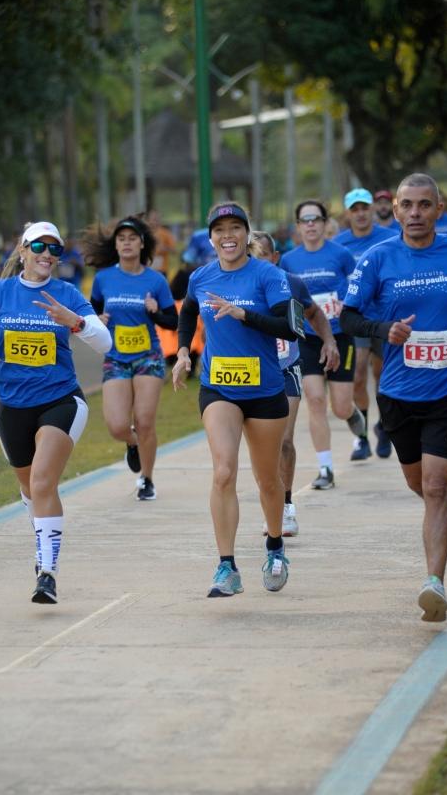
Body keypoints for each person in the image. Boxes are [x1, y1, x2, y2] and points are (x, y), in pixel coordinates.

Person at [0, 221, 111, 605]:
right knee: (29, 489)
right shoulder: (2, 291)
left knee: (42, 481)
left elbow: (105, 343)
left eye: (55, 249)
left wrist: (76, 321)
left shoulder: (67, 292)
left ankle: (47, 573)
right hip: (12, 406)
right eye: (39, 246)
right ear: (22, 250)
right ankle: (42, 541)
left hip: (61, 400)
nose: (47, 255)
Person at [340, 173, 447, 623]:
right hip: (398, 390)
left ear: (439, 208)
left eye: (424, 205)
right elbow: (349, 317)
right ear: (394, 212)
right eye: (407, 206)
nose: (415, 214)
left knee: (435, 483)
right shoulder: (377, 259)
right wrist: (382, 331)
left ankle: (435, 583)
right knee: (420, 484)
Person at [173, 201, 303, 598]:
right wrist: (182, 353)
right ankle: (226, 567)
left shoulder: (268, 275)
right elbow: (187, 314)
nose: (227, 236)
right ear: (210, 238)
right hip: (219, 387)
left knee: (268, 481)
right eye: (219, 230)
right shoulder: (201, 276)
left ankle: (275, 548)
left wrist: (244, 315)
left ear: (247, 234)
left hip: (265, 390)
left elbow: (291, 327)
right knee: (224, 472)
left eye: (235, 228)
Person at [82, 215, 178, 501]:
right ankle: (132, 442)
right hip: (116, 357)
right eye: (121, 238)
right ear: (115, 245)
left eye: (132, 238)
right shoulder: (104, 279)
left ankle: (146, 479)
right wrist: (97, 318)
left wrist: (154, 313)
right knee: (117, 425)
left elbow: (172, 321)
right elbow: (90, 312)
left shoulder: (155, 280)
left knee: (146, 419)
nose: (126, 243)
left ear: (141, 243)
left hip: (148, 356)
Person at [253, 230, 339, 536]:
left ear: (274, 258)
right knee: (261, 448)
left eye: (261, 255)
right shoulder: (236, 283)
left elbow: (315, 314)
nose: (255, 262)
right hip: (252, 371)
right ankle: (272, 503)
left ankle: (286, 507)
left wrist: (329, 341)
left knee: (283, 440)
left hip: (286, 367)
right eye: (251, 256)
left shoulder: (291, 282)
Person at [280, 200, 366, 490]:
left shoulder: (341, 255)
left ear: (325, 223)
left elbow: (356, 289)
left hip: (339, 335)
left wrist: (347, 304)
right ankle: (325, 468)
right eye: (305, 220)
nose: (311, 224)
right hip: (307, 338)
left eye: (316, 219)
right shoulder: (289, 261)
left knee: (339, 406)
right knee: (314, 399)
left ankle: (351, 414)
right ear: (298, 226)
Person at [334, 188, 398, 460]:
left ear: (372, 209)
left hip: (384, 317)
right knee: (358, 375)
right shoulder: (339, 244)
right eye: (355, 209)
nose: (360, 214)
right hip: (356, 317)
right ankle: (361, 438)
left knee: (382, 376)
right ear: (348, 214)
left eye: (364, 208)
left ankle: (384, 427)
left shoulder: (390, 238)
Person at [147, 209, 178, 276]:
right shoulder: (145, 233)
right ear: (149, 220)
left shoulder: (165, 233)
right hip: (147, 269)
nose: (154, 222)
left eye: (156, 219)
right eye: (153, 219)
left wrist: (165, 248)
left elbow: (174, 251)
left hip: (162, 270)